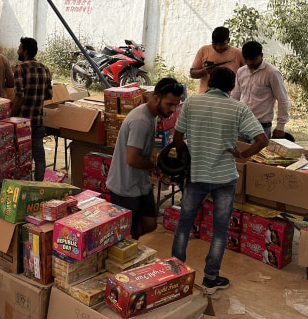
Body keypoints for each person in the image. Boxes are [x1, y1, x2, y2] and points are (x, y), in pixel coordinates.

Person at [171, 67, 268, 294]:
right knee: (220, 231)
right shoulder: (238, 108)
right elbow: (262, 139)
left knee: (184, 225)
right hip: (225, 177)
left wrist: (186, 156)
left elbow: (177, 137)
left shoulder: (192, 103)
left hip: (196, 174)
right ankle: (211, 278)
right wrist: (243, 154)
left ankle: (175, 274)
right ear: (232, 86)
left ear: (209, 81)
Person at [106, 78, 184, 239]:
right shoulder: (140, 120)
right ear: (156, 98)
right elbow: (132, 159)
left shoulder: (153, 115)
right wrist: (154, 163)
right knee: (129, 236)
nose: (173, 109)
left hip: (140, 183)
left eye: (175, 104)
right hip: (125, 186)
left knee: (150, 224)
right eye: (169, 104)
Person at [11, 37, 53, 181]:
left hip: (22, 122)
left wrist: (11, 115)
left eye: (20, 48)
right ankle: (39, 185)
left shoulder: (20, 68)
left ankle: (22, 186)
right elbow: (49, 94)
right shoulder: (44, 68)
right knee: (39, 157)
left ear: (25, 52)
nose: (18, 50)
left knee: (20, 159)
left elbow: (19, 95)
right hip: (38, 121)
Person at [231, 41, 290, 141]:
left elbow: (282, 99)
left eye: (253, 59)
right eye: (246, 59)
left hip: (261, 126)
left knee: (258, 156)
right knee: (239, 155)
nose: (249, 62)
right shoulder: (241, 71)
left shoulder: (272, 73)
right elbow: (235, 96)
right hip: (241, 124)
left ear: (261, 55)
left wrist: (280, 126)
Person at [190, 26, 245, 93]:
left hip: (229, 97)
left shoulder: (238, 53)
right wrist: (204, 71)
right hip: (206, 96)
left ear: (228, 40)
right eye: (214, 44)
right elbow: (192, 74)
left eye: (221, 44)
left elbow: (247, 74)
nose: (218, 47)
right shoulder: (203, 50)